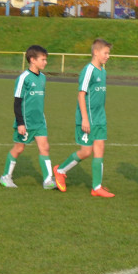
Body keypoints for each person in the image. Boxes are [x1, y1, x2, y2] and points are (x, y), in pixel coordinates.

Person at [53, 38, 114, 196]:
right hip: (88, 118)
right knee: (86, 151)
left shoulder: (103, 71)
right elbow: (81, 95)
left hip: (100, 117)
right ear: (96, 52)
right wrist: (85, 119)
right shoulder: (88, 70)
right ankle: (60, 171)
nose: (108, 56)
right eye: (105, 53)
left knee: (100, 149)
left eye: (109, 53)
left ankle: (97, 187)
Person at [0, 45, 55, 189]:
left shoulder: (43, 78)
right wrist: (20, 123)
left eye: (45, 59)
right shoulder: (23, 78)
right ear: (32, 60)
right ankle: (6, 176)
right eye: (43, 59)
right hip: (25, 121)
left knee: (45, 147)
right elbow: (17, 102)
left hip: (39, 121)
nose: (45, 62)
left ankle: (48, 181)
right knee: (18, 148)